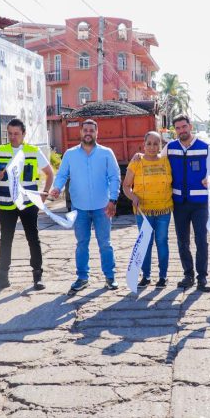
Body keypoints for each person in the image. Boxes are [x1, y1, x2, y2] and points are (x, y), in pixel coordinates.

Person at [50, 119, 121, 293]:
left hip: (102, 207)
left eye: (92, 130)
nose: (88, 133)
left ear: (97, 133)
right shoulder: (70, 154)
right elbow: (61, 175)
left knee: (105, 243)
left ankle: (110, 277)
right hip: (79, 208)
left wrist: (113, 199)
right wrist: (56, 188)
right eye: (85, 130)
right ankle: (82, 278)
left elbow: (114, 177)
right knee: (82, 243)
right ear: (80, 132)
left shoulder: (106, 153)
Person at [0, 118, 54, 291]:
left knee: (33, 238)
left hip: (28, 204)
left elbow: (49, 173)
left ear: (24, 134)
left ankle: (37, 277)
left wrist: (43, 197)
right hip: (6, 203)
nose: (12, 137)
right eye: (9, 133)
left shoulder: (34, 150)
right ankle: (2, 277)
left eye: (16, 134)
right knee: (6, 240)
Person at [165, 114, 210, 292]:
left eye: (184, 127)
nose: (181, 131)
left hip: (199, 202)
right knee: (182, 241)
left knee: (201, 240)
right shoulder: (170, 148)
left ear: (190, 126)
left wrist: (208, 179)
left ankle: (202, 277)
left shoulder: (204, 148)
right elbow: (156, 160)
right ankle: (188, 275)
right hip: (179, 202)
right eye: (178, 128)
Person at [122, 131, 173, 288]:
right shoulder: (137, 161)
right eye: (149, 143)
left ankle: (163, 276)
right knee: (145, 243)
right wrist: (133, 197)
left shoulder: (166, 161)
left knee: (162, 242)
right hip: (143, 212)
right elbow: (126, 186)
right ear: (143, 145)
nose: (152, 147)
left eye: (156, 143)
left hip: (163, 210)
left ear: (160, 145)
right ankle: (146, 276)